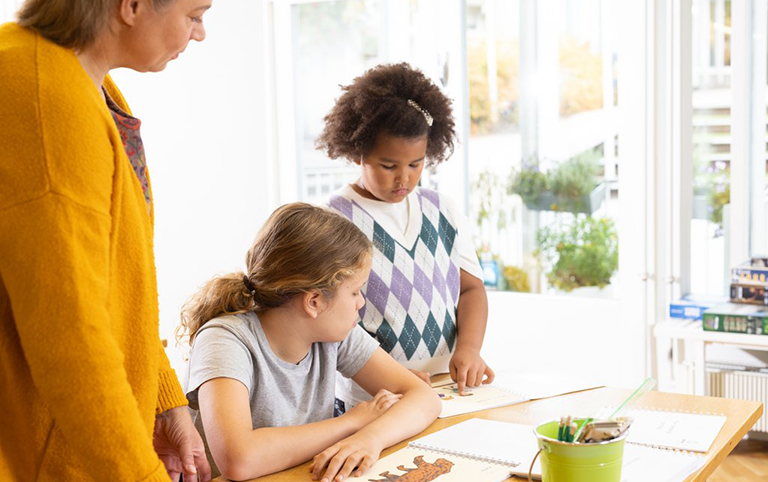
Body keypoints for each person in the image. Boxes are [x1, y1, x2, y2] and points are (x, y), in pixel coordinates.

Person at [0, 1, 214, 481]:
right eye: (195, 15)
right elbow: (69, 333)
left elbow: (119, 279)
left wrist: (162, 398)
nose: (200, 34)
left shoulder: (82, 79)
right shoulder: (44, 98)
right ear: (132, 6)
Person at [179, 203, 441, 482]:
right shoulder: (224, 339)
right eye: (354, 292)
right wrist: (351, 422)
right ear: (314, 302)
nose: (361, 303)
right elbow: (239, 459)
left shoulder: (333, 334)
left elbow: (424, 398)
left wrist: (369, 439)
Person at [316, 62, 495, 414]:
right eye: (388, 166)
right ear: (357, 151)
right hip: (373, 398)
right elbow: (325, 322)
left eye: (416, 164)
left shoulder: (442, 209)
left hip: (447, 388)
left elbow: (472, 289)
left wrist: (470, 349)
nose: (404, 178)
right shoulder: (332, 219)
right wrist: (391, 375)